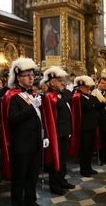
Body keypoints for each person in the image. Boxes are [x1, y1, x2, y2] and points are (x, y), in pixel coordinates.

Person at [0, 58, 49, 206]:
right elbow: (13, 119)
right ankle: (17, 202)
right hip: (21, 144)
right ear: (18, 77)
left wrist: (44, 135)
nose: (31, 78)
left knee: (32, 175)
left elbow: (41, 118)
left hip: (35, 142)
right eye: (27, 75)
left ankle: (30, 200)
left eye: (32, 75)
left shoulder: (33, 94)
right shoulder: (12, 95)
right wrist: (31, 107)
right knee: (19, 177)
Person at [40, 66, 75, 195]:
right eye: (59, 81)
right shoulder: (50, 95)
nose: (62, 83)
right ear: (52, 82)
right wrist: (68, 91)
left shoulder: (59, 94)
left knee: (63, 158)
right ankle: (55, 185)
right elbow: (59, 104)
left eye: (62, 80)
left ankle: (62, 179)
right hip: (56, 133)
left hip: (64, 131)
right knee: (56, 159)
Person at [69, 75, 104, 177]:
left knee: (89, 149)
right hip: (84, 128)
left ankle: (89, 167)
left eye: (89, 87)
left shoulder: (88, 97)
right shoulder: (78, 97)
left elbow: (98, 105)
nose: (89, 89)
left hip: (92, 126)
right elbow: (88, 107)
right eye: (86, 87)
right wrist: (92, 99)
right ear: (80, 88)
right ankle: (84, 169)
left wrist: (98, 101)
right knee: (84, 150)